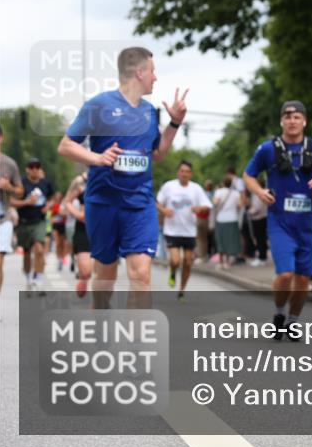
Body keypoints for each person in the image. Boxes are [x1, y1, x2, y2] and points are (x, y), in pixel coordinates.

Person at [57, 46, 188, 308]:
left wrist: (174, 125)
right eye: (153, 71)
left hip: (139, 205)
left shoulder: (150, 112)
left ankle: (136, 343)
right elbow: (65, 146)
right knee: (106, 276)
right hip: (103, 204)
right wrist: (97, 158)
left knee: (141, 273)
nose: (156, 77)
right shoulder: (99, 105)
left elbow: (157, 153)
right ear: (139, 72)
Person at [243, 100, 312, 340]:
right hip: (280, 222)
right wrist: (259, 191)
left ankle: (293, 321)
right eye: (287, 116)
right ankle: (279, 312)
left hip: (306, 225)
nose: (292, 121)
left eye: (297, 117)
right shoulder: (268, 149)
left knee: (303, 278)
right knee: (285, 274)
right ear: (281, 121)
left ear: (304, 120)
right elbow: (248, 175)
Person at [157, 160, 212, 301]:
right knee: (175, 260)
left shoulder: (196, 188)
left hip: (189, 231)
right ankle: (173, 271)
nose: (184, 174)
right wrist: (164, 210)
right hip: (172, 230)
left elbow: (207, 205)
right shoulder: (169, 186)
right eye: (182, 171)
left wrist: (199, 208)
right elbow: (157, 202)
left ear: (191, 174)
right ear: (178, 172)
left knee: (188, 262)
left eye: (187, 172)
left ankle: (181, 291)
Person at [10, 158, 55, 294]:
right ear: (27, 169)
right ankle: (29, 279)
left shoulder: (45, 183)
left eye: (37, 166)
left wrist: (48, 205)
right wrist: (26, 202)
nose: (35, 169)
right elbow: (11, 201)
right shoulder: (21, 183)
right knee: (27, 254)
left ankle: (39, 280)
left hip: (39, 221)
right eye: (32, 166)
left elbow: (53, 198)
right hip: (24, 222)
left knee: (40, 249)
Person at [0, 126, 24, 295]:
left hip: (2, 218)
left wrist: (8, 186)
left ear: (1, 138)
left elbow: (20, 191)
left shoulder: (9, 164)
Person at [63, 171, 91, 297]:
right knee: (86, 272)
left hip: (104, 228)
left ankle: (100, 304)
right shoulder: (81, 181)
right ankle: (83, 278)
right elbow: (67, 202)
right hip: (83, 228)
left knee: (103, 273)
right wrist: (78, 214)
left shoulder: (113, 174)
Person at [212, 175, 242, 269]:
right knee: (230, 241)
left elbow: (215, 203)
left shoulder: (219, 192)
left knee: (221, 241)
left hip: (221, 219)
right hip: (232, 219)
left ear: (223, 183)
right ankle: (227, 262)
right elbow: (239, 205)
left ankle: (221, 262)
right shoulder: (236, 193)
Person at [245, 174, 269, 267]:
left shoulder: (258, 194)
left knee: (259, 238)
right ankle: (262, 256)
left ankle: (262, 257)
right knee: (261, 238)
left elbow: (257, 207)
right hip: (262, 217)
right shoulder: (262, 192)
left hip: (258, 218)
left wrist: (249, 212)